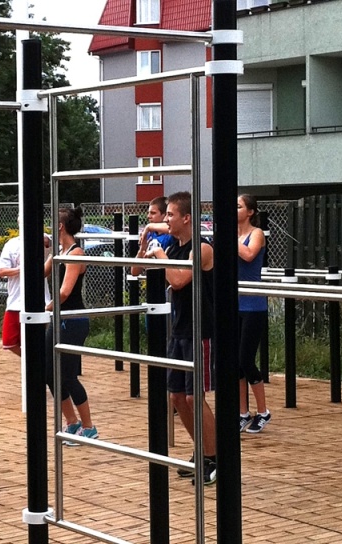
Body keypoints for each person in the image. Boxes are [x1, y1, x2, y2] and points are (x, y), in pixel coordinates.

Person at [144, 191, 217, 485]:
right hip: (179, 329)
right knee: (175, 396)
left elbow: (178, 280)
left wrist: (160, 256)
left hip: (201, 330)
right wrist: (145, 244)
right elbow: (139, 270)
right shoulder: (174, 248)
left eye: (171, 214)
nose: (166, 220)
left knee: (193, 396)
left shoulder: (202, 248)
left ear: (186, 218)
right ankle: (201, 451)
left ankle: (213, 457)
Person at [44, 206, 97, 443]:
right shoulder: (59, 251)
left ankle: (89, 427)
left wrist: (45, 309)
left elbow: (65, 292)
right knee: (49, 373)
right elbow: (40, 273)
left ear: (61, 226)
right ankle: (72, 423)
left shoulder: (75, 253)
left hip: (72, 320)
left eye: (54, 223)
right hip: (60, 318)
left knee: (67, 375)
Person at [236, 194, 271, 433]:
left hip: (254, 306)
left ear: (250, 211)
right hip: (235, 305)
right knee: (235, 363)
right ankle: (242, 412)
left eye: (238, 206)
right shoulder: (233, 236)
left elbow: (249, 255)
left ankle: (263, 411)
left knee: (246, 359)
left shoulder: (256, 233)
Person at [0, 231, 51, 357]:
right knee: (9, 341)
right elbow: (1, 270)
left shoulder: (42, 239)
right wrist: (21, 269)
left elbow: (50, 241)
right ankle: (32, 361)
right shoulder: (12, 244)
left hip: (40, 300)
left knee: (39, 338)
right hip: (16, 301)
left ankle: (41, 364)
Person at [131, 196, 174, 277]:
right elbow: (134, 272)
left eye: (153, 213)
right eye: (148, 213)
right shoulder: (150, 234)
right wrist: (142, 249)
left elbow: (171, 228)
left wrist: (148, 227)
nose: (148, 216)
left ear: (165, 215)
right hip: (152, 279)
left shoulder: (171, 234)